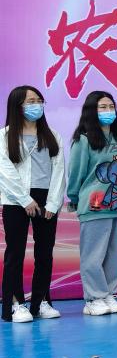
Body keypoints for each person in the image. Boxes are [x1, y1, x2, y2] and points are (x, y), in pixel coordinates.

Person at [0, 86, 65, 323]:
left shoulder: (52, 135)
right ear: (17, 105)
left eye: (39, 101)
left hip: (46, 199)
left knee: (45, 253)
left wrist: (54, 203)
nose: (36, 105)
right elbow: (5, 171)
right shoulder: (4, 135)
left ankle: (41, 301)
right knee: (15, 253)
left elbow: (59, 170)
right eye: (30, 101)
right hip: (15, 199)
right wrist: (24, 199)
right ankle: (16, 304)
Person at [66, 91, 117, 316]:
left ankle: (109, 294)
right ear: (91, 110)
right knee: (93, 255)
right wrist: (74, 198)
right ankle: (94, 298)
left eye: (111, 106)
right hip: (94, 206)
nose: (108, 111)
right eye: (102, 107)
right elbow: (76, 173)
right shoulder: (83, 140)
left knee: (115, 255)